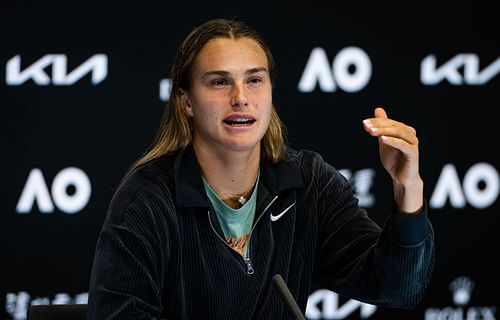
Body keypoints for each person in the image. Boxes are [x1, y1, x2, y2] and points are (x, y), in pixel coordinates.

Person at [87, 18, 434, 319]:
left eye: (254, 80)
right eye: (219, 82)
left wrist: (408, 189)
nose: (240, 96)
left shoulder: (309, 183)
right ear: (186, 101)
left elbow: (397, 289)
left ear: (269, 91)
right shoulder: (146, 200)